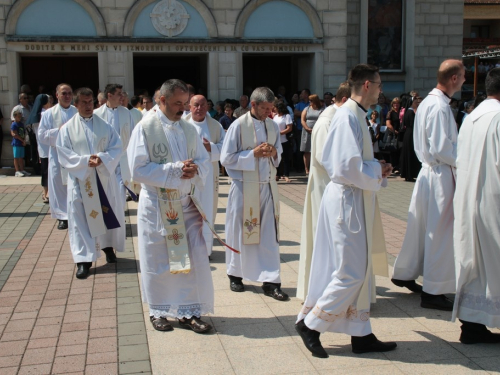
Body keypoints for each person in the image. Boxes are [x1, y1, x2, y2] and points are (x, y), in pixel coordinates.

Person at [295, 64, 395, 358]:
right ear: (366, 85)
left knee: (356, 270)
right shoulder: (346, 117)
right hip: (346, 201)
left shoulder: (355, 115)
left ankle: (360, 333)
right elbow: (343, 166)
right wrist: (377, 168)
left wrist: (378, 169)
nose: (380, 89)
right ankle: (311, 325)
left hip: (351, 198)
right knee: (350, 271)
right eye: (378, 84)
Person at [128, 79, 213, 333]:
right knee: (158, 261)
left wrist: (194, 169)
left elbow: (204, 160)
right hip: (157, 205)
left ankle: (188, 311)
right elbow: (137, 169)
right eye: (178, 103)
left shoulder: (188, 129)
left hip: (185, 206)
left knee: (191, 261)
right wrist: (176, 170)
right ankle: (159, 311)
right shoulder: (145, 128)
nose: (183, 109)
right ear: (161, 100)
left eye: (185, 103)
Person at [392, 59, 466, 310]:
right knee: (440, 231)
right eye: (464, 76)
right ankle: (434, 291)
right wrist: (467, 160)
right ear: (454, 78)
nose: (465, 80)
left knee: (421, 226)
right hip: (439, 174)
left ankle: (406, 272)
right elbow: (442, 148)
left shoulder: (427, 103)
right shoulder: (439, 107)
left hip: (429, 173)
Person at [221, 87, 288, 301]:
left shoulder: (272, 125)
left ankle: (271, 281)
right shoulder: (237, 126)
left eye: (271, 108)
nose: (269, 113)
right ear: (253, 105)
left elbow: (279, 151)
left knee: (269, 235)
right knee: (240, 232)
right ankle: (236, 275)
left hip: (266, 186)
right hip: (244, 187)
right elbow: (226, 158)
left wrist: (273, 152)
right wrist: (253, 154)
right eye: (265, 108)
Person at [452, 68, 500, 344]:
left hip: (469, 196)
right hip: (492, 198)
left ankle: (472, 325)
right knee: (491, 263)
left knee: (473, 262)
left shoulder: (472, 117)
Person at [57, 88, 123, 279]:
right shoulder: (67, 129)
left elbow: (116, 147)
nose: (88, 106)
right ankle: (83, 260)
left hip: (102, 179)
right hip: (80, 181)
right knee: (80, 220)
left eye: (91, 102)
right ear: (75, 104)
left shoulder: (105, 126)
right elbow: (64, 153)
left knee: (105, 214)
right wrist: (86, 162)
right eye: (84, 102)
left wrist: (102, 159)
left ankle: (107, 247)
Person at [296, 81, 351, 300]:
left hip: (336, 187)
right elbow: (324, 159)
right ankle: (328, 289)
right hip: (327, 188)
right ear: (346, 100)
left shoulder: (338, 117)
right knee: (326, 237)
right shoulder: (328, 121)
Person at [93, 83, 134, 258]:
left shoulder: (127, 113)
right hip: (102, 167)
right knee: (102, 205)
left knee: (118, 205)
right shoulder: (97, 115)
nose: (122, 96)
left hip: (121, 165)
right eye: (119, 94)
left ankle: (114, 244)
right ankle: (104, 245)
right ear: (109, 95)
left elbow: (132, 138)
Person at [184, 95, 225, 257]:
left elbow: (225, 148)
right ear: (190, 106)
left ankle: (205, 250)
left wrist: (211, 147)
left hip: (208, 179)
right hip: (188, 176)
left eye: (202, 105)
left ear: (207, 107)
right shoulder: (182, 125)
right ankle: (187, 248)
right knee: (187, 211)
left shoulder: (215, 126)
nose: (199, 108)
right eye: (196, 105)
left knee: (206, 211)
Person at [38, 83, 78, 230]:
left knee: (75, 185)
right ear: (57, 95)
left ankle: (76, 214)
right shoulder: (49, 114)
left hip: (75, 155)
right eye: (64, 93)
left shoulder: (77, 111)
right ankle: (62, 217)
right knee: (58, 186)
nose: (67, 96)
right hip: (57, 155)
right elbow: (42, 135)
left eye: (69, 93)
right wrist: (59, 131)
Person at [26, 94, 50, 201]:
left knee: (45, 171)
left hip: (42, 148)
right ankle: (47, 193)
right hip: (49, 147)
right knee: (48, 172)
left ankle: (45, 192)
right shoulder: (45, 114)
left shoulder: (35, 115)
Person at [399, 96, 422, 182]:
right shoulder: (411, 112)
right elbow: (413, 124)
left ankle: (408, 174)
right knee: (410, 153)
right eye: (416, 102)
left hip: (408, 134)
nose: (417, 103)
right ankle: (410, 174)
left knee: (408, 153)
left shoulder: (408, 112)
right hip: (411, 134)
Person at [300, 94, 323, 174]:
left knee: (317, 150)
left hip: (318, 131)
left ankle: (316, 168)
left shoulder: (322, 109)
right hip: (307, 132)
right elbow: (302, 120)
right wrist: (307, 128)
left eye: (311, 100)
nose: (310, 102)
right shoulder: (306, 109)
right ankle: (307, 169)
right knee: (307, 150)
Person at [273, 100, 293, 183]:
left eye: (275, 107)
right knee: (277, 158)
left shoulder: (287, 116)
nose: (274, 109)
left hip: (284, 140)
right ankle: (277, 174)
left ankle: (286, 175)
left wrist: (280, 133)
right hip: (276, 141)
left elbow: (289, 128)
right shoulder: (275, 117)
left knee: (285, 158)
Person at [11, 109, 27, 177]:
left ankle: (22, 169)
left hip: (21, 142)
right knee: (16, 157)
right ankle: (17, 171)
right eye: (18, 117)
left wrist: (24, 140)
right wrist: (22, 140)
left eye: (20, 117)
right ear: (15, 116)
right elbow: (15, 134)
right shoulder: (14, 124)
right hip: (17, 143)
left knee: (21, 157)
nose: (19, 118)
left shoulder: (21, 124)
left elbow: (23, 133)